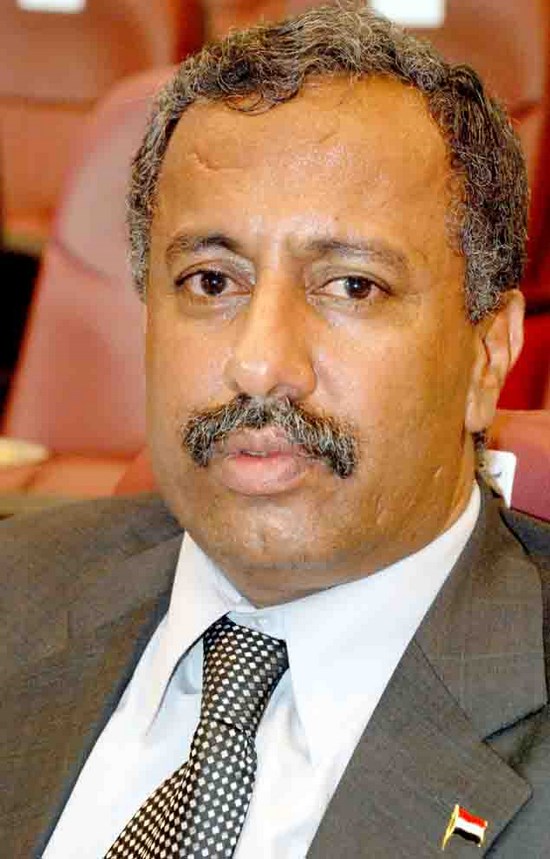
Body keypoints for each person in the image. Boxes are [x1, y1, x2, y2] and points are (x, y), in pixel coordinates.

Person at [1, 5, 549, 857]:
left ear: (488, 356)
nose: (259, 364)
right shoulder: (15, 588)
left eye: (352, 286)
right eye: (211, 281)